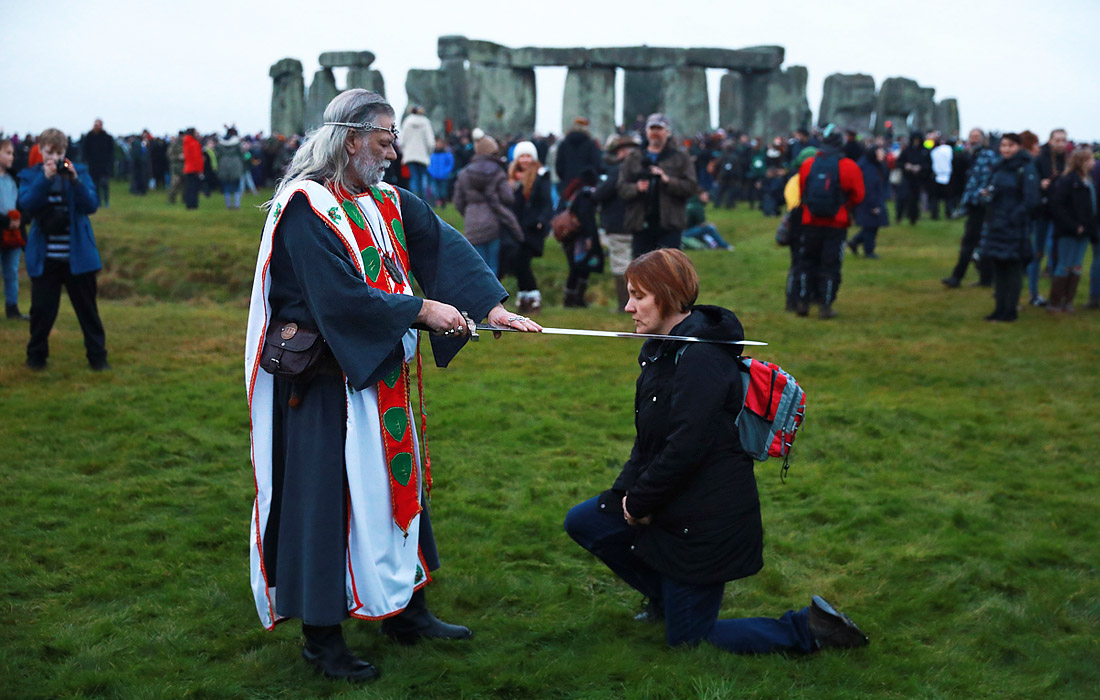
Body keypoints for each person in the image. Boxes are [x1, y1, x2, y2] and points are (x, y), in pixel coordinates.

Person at [245, 89, 541, 683]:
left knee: (397, 491)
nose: (394, 146)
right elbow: (337, 298)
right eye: (385, 135)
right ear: (350, 137)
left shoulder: (385, 199)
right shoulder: (305, 208)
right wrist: (421, 311)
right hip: (328, 387)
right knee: (329, 504)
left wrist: (490, 308)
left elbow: (441, 244)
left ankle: (406, 611)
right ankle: (322, 638)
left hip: (382, 381)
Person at [564, 248, 869, 657]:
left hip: (704, 524)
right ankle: (664, 598)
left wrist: (639, 503)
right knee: (588, 521)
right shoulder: (661, 349)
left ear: (668, 296)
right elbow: (649, 440)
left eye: (638, 296)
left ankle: (810, 628)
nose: (627, 306)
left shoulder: (702, 360)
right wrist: (622, 496)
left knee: (691, 641)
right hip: (674, 501)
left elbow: (684, 450)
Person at [18, 128, 107, 370]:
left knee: (88, 311)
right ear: (40, 150)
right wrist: (44, 179)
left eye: (59, 153)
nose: (54, 158)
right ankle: (36, 358)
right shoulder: (30, 176)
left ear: (66, 151)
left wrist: (75, 180)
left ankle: (98, 358)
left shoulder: (80, 173)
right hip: (46, 257)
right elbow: (26, 203)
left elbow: (91, 205)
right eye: (49, 153)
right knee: (41, 312)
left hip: (77, 255)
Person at [794, 124, 865, 319]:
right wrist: (845, 205)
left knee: (807, 262)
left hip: (810, 221)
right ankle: (825, 304)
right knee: (831, 265)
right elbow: (859, 195)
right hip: (836, 223)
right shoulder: (848, 166)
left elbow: (802, 190)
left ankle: (803, 301)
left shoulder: (808, 164)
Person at [978, 133, 1040, 322]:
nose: (1006, 149)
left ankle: (1010, 311)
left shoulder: (1026, 168)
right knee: (998, 268)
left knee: (1012, 269)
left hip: (1014, 226)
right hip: (996, 222)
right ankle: (999, 309)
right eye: (1003, 145)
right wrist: (986, 196)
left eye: (1010, 145)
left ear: (1019, 146)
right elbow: (993, 190)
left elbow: (1031, 200)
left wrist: (1014, 216)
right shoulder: (999, 167)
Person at [618, 114, 697, 259]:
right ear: (646, 131)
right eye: (652, 128)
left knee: (669, 268)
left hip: (670, 223)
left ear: (668, 132)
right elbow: (621, 187)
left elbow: (691, 187)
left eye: (659, 128)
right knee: (641, 270)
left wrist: (668, 180)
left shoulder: (680, 157)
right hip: (640, 222)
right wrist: (636, 187)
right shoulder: (634, 157)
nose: (655, 132)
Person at [452, 134, 522, 276]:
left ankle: (478, 297)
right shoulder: (497, 171)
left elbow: (458, 201)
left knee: (477, 266)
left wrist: (468, 213)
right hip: (492, 222)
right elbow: (508, 198)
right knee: (492, 266)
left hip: (472, 222)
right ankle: (495, 297)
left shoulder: (465, 173)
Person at [942, 129, 997, 288]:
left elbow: (985, 179)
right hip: (975, 202)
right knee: (980, 242)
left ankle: (957, 277)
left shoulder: (986, 156)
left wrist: (981, 195)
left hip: (980, 203)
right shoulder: (972, 155)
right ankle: (986, 278)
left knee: (970, 241)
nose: (973, 140)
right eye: (971, 137)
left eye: (976, 137)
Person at [1047, 148, 1098, 312]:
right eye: (1090, 159)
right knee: (1064, 264)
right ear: (1082, 161)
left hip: (1085, 230)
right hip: (1069, 231)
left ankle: (1068, 300)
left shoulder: (1088, 181)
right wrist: (1074, 225)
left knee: (1077, 265)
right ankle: (1055, 301)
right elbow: (1058, 205)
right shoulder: (1068, 180)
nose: (1093, 163)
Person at [593, 133, 639, 311]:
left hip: (618, 221)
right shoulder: (643, 170)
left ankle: (624, 305)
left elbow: (601, 194)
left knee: (621, 264)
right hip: (639, 223)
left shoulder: (617, 171)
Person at [506, 140, 553, 313]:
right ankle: (525, 295)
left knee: (523, 261)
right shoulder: (512, 177)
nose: (525, 160)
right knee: (517, 262)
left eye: (528, 156)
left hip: (532, 227)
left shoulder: (541, 176)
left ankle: (532, 296)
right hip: (516, 227)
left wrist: (542, 221)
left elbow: (546, 202)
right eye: (522, 156)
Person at [557, 171, 604, 307]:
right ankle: (575, 299)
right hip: (579, 238)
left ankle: (571, 298)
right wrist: (589, 237)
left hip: (569, 237)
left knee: (576, 269)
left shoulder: (572, 193)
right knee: (580, 268)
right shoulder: (585, 195)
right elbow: (585, 217)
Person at [1, 138, 28, 319]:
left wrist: (21, 219)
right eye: (7, 153)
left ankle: (12, 308)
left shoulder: (14, 179)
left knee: (11, 271)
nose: (12, 157)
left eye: (12, 153)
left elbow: (23, 204)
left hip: (13, 234)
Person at [849, 145, 890, 259]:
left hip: (870, 200)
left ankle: (855, 242)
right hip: (869, 201)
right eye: (881, 152)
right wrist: (873, 205)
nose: (883, 154)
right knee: (871, 226)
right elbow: (869, 188)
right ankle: (868, 251)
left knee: (871, 226)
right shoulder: (869, 168)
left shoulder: (872, 165)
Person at [400, 106, 435, 199]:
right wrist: (429, 152)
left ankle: (414, 198)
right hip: (423, 155)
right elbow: (430, 142)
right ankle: (423, 199)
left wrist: (405, 151)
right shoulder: (426, 122)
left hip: (410, 155)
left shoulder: (407, 122)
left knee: (414, 177)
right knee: (422, 177)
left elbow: (402, 140)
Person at [81, 120, 114, 208]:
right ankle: (98, 201)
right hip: (93, 165)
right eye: (95, 125)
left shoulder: (107, 137)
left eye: (98, 125)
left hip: (104, 165)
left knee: (104, 184)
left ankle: (106, 201)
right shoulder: (89, 137)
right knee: (95, 185)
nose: (96, 127)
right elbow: (85, 150)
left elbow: (110, 152)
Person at [216, 127, 245, 209]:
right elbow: (241, 154)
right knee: (236, 185)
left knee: (226, 185)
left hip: (223, 164)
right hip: (235, 164)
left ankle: (228, 204)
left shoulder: (221, 144)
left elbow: (218, 155)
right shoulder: (237, 143)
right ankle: (237, 204)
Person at [182, 128, 203, 210]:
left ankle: (189, 204)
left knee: (189, 187)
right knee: (194, 188)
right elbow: (197, 157)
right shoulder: (194, 143)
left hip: (188, 167)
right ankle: (193, 204)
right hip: (194, 168)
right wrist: (200, 170)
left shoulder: (186, 142)